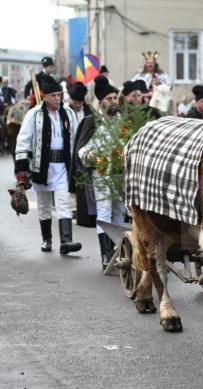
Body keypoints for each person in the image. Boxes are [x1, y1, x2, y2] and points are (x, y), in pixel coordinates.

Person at [14, 75, 82, 255]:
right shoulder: (33, 114)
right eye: (53, 95)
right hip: (41, 166)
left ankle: (66, 241)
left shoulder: (68, 113)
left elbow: (76, 137)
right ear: (44, 96)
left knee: (63, 202)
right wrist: (21, 166)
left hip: (62, 166)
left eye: (59, 95)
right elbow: (23, 139)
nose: (57, 98)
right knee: (44, 205)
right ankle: (47, 239)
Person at [78, 76, 124, 268]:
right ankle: (106, 254)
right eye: (110, 98)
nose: (114, 101)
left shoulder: (121, 120)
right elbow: (81, 150)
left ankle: (118, 252)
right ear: (101, 102)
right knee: (104, 212)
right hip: (101, 173)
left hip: (120, 174)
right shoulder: (92, 121)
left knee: (120, 212)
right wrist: (93, 158)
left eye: (115, 97)